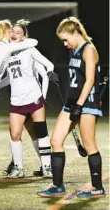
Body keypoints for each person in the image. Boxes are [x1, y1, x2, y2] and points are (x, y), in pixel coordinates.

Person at [37, 16, 105, 198]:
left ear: (75, 33)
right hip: (72, 103)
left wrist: (79, 106)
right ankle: (57, 186)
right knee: (55, 140)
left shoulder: (89, 49)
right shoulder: (73, 50)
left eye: (66, 39)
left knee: (89, 144)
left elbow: (90, 80)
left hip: (87, 102)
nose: (65, 44)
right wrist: (72, 103)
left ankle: (97, 187)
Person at [0, 19, 39, 178]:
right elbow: (33, 42)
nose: (13, 34)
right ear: (6, 32)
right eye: (11, 31)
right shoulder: (7, 48)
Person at [1, 19, 56, 178]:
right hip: (16, 100)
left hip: (34, 98)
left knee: (41, 133)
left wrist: (44, 90)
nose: (14, 34)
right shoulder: (7, 54)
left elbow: (48, 65)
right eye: (12, 31)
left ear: (24, 37)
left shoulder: (30, 50)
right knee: (15, 135)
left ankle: (46, 167)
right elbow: (9, 79)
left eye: (18, 32)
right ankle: (18, 168)